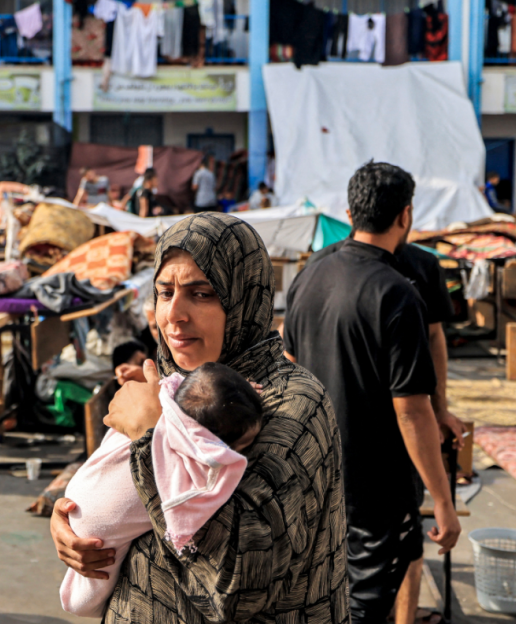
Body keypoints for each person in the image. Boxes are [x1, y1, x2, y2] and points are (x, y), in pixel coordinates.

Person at [50, 213, 349, 623]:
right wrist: (73, 519)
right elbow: (115, 486)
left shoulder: (289, 406)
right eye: (164, 292)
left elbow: (241, 584)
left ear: (244, 298)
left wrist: (152, 437)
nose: (174, 314)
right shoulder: (167, 383)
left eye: (201, 293)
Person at [284, 162, 461, 624]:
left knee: (324, 593)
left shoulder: (310, 274)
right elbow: (412, 411)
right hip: (374, 486)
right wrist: (442, 501)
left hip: (316, 472)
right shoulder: (396, 291)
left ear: (350, 212)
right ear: (405, 216)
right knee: (363, 606)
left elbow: (288, 367)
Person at [61, 362, 263, 617]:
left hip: (84, 487)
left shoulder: (170, 392)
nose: (245, 449)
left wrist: (239, 393)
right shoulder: (190, 456)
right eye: (241, 444)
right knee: (81, 602)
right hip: (98, 524)